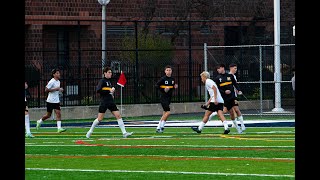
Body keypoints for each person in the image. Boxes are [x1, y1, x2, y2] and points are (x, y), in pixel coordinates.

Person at [86, 67, 133, 138]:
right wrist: (109, 91)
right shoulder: (102, 81)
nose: (110, 74)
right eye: (109, 72)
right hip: (104, 102)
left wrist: (111, 94)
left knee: (118, 115)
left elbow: (109, 91)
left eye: (111, 72)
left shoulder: (109, 82)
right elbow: (98, 90)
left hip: (110, 101)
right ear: (105, 73)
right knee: (99, 119)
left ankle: (124, 133)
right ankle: (90, 131)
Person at [208, 63, 246, 131]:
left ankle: (243, 125)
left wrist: (239, 90)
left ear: (222, 68)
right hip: (225, 98)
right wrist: (224, 91)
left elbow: (235, 84)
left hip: (232, 96)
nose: (218, 70)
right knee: (230, 112)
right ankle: (237, 127)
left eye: (219, 68)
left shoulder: (230, 76)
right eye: (217, 69)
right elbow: (217, 89)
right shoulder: (217, 78)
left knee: (237, 110)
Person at [36, 68, 67, 133]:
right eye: (57, 73)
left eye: (59, 73)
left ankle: (59, 128)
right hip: (50, 101)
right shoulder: (51, 81)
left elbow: (57, 90)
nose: (59, 74)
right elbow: (46, 90)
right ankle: (39, 121)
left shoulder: (58, 81)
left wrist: (60, 90)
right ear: (54, 74)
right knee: (48, 115)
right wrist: (56, 89)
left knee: (58, 113)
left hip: (56, 100)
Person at [155, 65, 178, 133]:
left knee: (165, 113)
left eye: (170, 70)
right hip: (163, 97)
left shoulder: (172, 79)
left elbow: (172, 87)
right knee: (168, 112)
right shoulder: (163, 79)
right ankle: (162, 126)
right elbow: (156, 86)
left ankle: (158, 127)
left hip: (169, 98)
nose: (168, 71)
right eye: (167, 70)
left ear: (171, 71)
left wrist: (174, 87)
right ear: (165, 71)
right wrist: (163, 89)